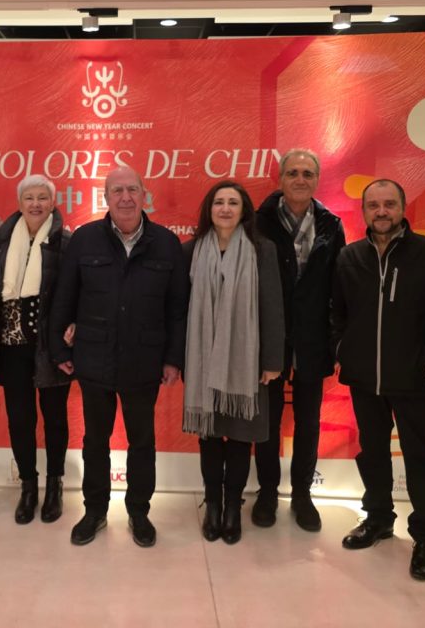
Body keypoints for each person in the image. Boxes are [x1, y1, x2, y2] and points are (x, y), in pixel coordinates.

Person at [50, 165, 189, 548]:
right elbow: (64, 297)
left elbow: (178, 308)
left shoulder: (166, 243)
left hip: (145, 361)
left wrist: (173, 358)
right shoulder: (84, 239)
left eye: (132, 190)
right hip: (94, 357)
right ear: (106, 198)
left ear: (144, 195)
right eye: (117, 191)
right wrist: (59, 347)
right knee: (95, 440)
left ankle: (139, 512)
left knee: (142, 442)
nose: (125, 197)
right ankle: (94, 511)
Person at [331, 179, 425, 580]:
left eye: (389, 204)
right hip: (364, 377)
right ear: (364, 210)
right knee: (373, 451)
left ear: (402, 207)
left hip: (414, 377)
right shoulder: (349, 257)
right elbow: (337, 312)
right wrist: (342, 350)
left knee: (420, 457)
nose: (381, 211)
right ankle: (379, 517)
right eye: (374, 205)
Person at [183, 181, 284, 545]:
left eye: (233, 203)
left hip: (247, 363)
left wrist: (272, 360)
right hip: (203, 361)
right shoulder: (191, 250)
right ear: (209, 210)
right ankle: (213, 504)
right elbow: (180, 310)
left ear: (244, 211)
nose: (225, 209)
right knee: (210, 436)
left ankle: (232, 509)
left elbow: (272, 306)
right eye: (219, 202)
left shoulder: (262, 249)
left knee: (241, 438)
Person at [253, 148, 345, 531]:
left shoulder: (331, 225)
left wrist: (337, 341)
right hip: (269, 337)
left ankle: (303, 495)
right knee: (267, 421)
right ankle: (267, 492)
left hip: (313, 339)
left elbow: (339, 287)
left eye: (308, 173)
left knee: (308, 421)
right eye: (292, 172)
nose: (300, 179)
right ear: (280, 179)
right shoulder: (258, 222)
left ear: (317, 180)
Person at [0, 175, 71, 524]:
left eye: (42, 197)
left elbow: (75, 291)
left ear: (53, 202)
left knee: (55, 418)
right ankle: (29, 486)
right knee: (20, 419)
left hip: (50, 346)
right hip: (11, 346)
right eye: (29, 197)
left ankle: (54, 485)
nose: (36, 204)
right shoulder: (2, 241)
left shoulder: (66, 242)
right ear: (19, 203)